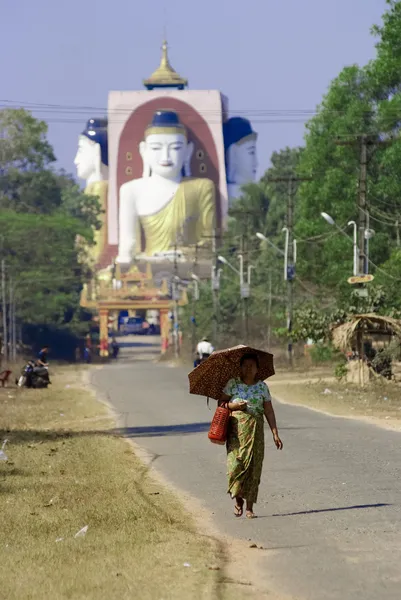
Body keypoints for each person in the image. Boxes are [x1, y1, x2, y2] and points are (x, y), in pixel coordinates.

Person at [219, 352, 283, 519]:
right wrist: (234, 405)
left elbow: (268, 410)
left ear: (257, 369)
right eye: (245, 366)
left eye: (252, 366)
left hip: (256, 431)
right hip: (236, 432)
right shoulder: (233, 384)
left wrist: (275, 433)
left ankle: (249, 507)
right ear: (240, 368)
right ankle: (238, 500)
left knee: (254, 468)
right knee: (236, 466)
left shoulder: (262, 387)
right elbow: (222, 403)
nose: (248, 369)